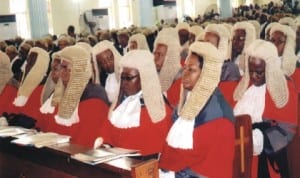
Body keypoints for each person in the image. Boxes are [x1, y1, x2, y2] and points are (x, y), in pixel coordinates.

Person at [159, 42, 235, 178]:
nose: (185, 74)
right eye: (185, 68)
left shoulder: (215, 113)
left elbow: (201, 164)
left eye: (192, 70)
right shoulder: (190, 101)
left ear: (206, 74)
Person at [232, 39, 297, 178]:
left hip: (267, 157)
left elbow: (286, 130)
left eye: (259, 72)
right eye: (251, 70)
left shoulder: (283, 90)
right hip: (239, 153)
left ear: (270, 68)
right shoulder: (244, 86)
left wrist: (254, 140)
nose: (254, 76)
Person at [94, 50, 173, 158]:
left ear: (145, 77)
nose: (124, 83)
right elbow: (106, 135)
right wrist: (104, 145)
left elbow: (157, 152)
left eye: (129, 78)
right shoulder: (119, 107)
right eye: (122, 78)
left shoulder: (158, 112)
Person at [41, 46, 109, 147]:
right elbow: (44, 124)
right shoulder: (58, 92)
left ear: (78, 69)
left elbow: (86, 139)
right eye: (60, 67)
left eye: (64, 67)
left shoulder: (94, 96)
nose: (60, 72)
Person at [153, 27, 182, 107]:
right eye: (154, 54)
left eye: (160, 55)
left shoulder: (181, 84)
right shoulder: (155, 76)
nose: (155, 59)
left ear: (171, 57)